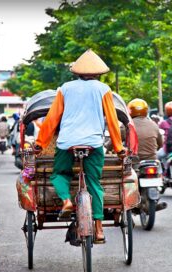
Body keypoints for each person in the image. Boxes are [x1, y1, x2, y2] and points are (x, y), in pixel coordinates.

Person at [34, 49, 126, 243]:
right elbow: (112, 120)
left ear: (76, 73)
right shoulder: (103, 89)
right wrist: (118, 148)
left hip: (67, 142)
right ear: (99, 73)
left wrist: (40, 143)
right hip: (93, 143)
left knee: (59, 174)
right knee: (94, 183)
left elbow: (51, 119)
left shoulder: (65, 88)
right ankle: (99, 229)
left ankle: (67, 201)